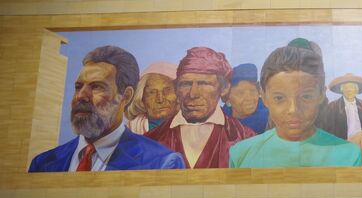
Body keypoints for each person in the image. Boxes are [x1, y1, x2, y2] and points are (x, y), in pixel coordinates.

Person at [28, 46, 185, 172]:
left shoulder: (161, 163)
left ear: (126, 96)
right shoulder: (43, 164)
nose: (81, 96)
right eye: (78, 87)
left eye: (97, 87)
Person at [229, 39, 362, 168]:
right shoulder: (241, 155)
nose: (293, 109)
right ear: (263, 97)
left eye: (306, 96)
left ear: (321, 94)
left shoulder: (349, 155)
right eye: (279, 98)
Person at [146, 47, 255, 168]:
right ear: (176, 88)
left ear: (224, 88)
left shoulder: (247, 139)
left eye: (204, 84)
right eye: (186, 84)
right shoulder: (150, 140)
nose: (193, 94)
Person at [320, 73, 362, 139]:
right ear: (342, 90)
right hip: (341, 144)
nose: (349, 90)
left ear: (356, 90)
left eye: (352, 87)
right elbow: (327, 130)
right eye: (346, 87)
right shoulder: (332, 106)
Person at [126, 61, 178, 134]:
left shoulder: (192, 127)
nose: (160, 99)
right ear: (141, 98)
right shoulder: (132, 129)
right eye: (152, 92)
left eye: (167, 91)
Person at [222, 63, 269, 135]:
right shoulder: (219, 122)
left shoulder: (271, 122)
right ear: (227, 98)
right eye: (240, 93)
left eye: (252, 91)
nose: (249, 98)